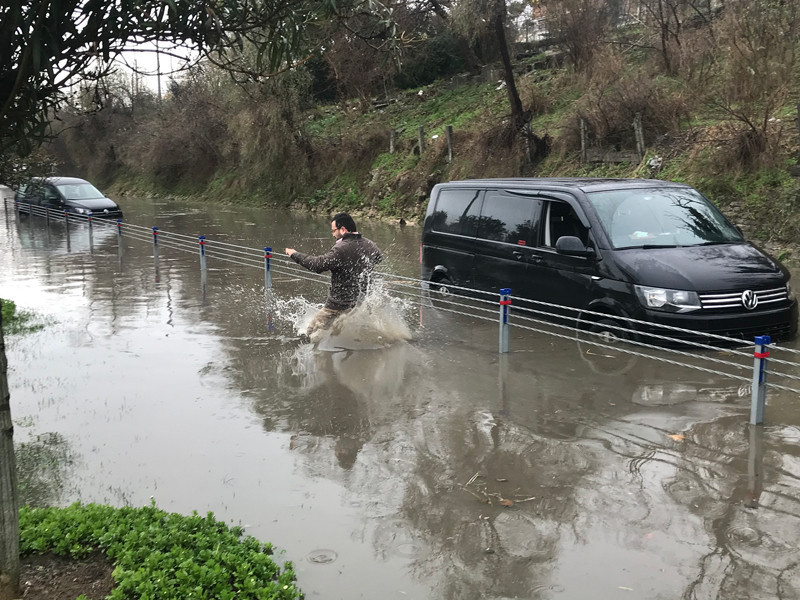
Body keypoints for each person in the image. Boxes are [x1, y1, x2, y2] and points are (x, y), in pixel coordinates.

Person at [285, 212, 383, 337]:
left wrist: (294, 254)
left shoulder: (341, 248)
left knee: (311, 334)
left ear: (343, 229)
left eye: (334, 231)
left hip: (337, 305)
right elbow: (378, 257)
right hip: (360, 302)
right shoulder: (369, 244)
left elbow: (318, 265)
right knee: (346, 335)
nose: (333, 234)